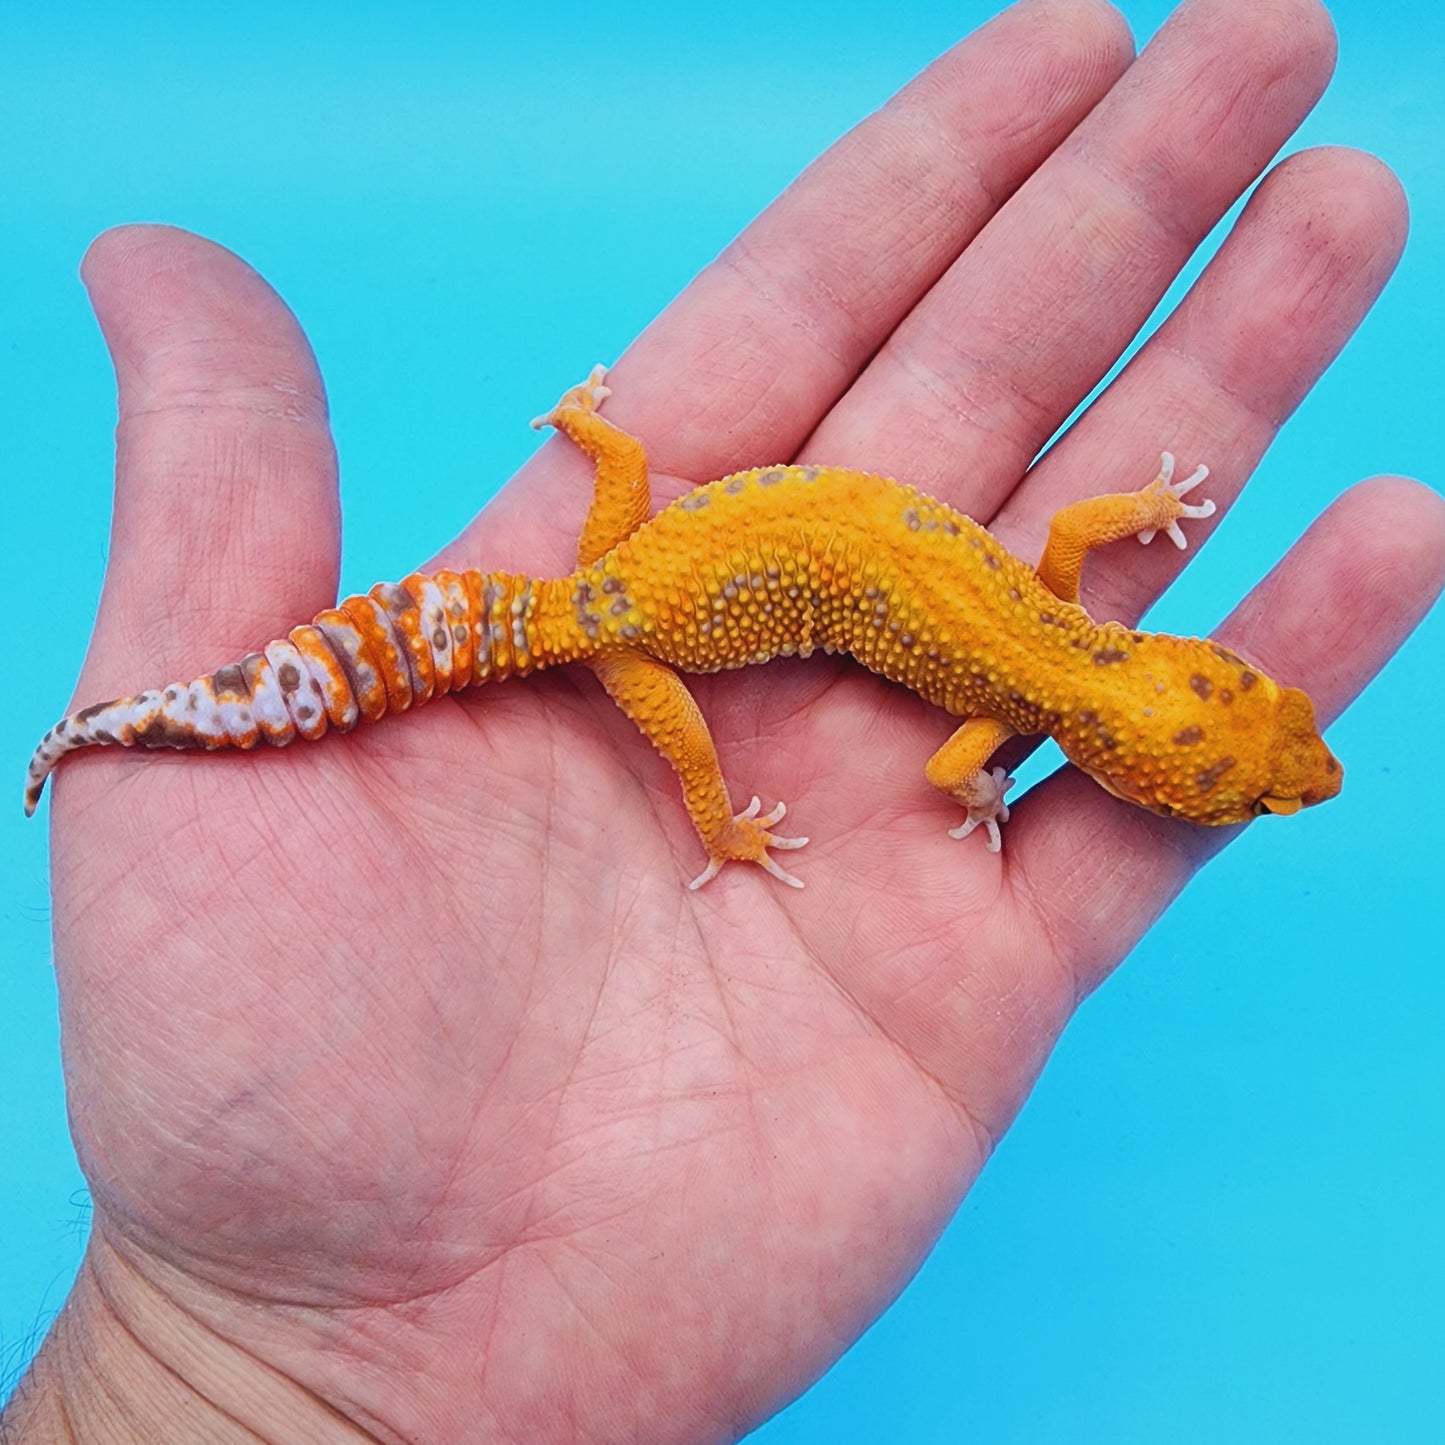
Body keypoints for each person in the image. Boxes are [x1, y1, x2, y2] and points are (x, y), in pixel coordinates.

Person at [6, 0, 1443, 1439]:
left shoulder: (1072, 626)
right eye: (1255, 778)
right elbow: (960, 751)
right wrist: (943, 800)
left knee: (597, 529)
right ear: (1146, 759)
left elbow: (1069, 541)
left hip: (632, 567)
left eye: (1254, 766)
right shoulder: (1015, 709)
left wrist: (1131, 518)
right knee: (680, 754)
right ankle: (706, 823)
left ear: (1181, 689)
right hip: (644, 639)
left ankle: (554, 460)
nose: (1284, 772)